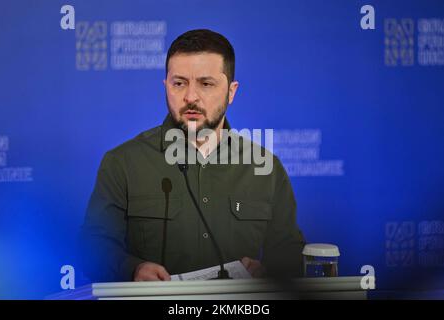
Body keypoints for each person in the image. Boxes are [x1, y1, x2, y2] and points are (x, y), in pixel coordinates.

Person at [80, 29, 305, 282]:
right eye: (179, 83)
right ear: (165, 86)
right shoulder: (122, 163)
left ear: (231, 92)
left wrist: (269, 271)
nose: (190, 97)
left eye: (206, 84)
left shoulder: (265, 167)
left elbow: (289, 253)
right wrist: (133, 268)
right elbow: (93, 248)